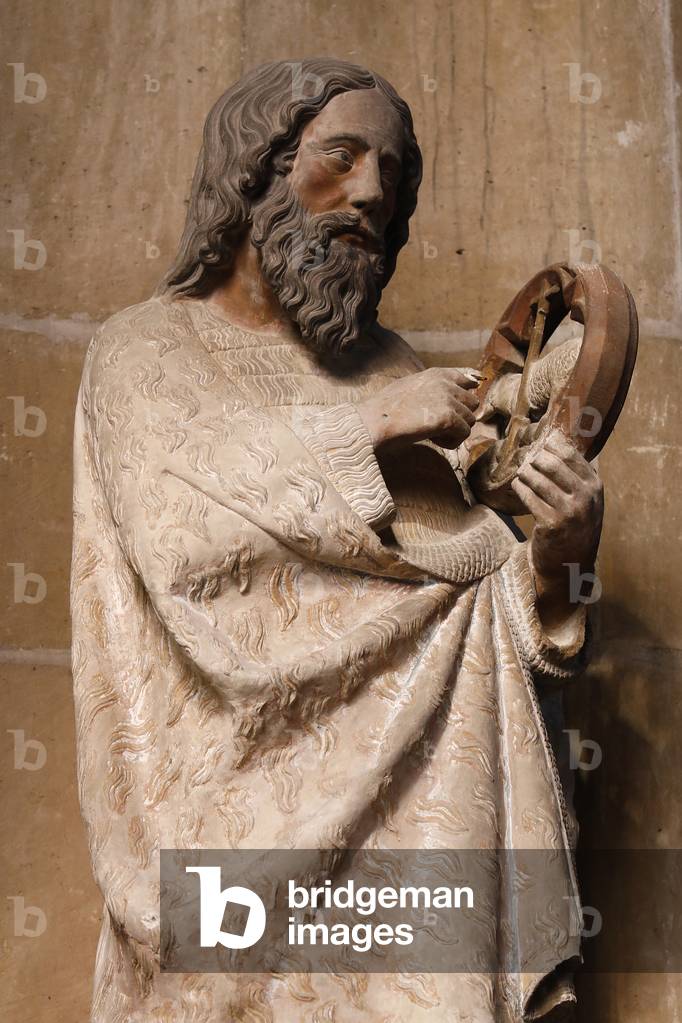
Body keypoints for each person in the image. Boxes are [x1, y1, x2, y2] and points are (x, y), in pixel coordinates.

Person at [71, 58, 601, 1022]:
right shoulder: (146, 348)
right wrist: (372, 424)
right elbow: (187, 542)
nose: (371, 193)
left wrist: (557, 561)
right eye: (342, 157)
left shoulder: (391, 364)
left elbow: (460, 603)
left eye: (391, 174)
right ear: (255, 174)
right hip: (227, 826)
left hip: (421, 846)